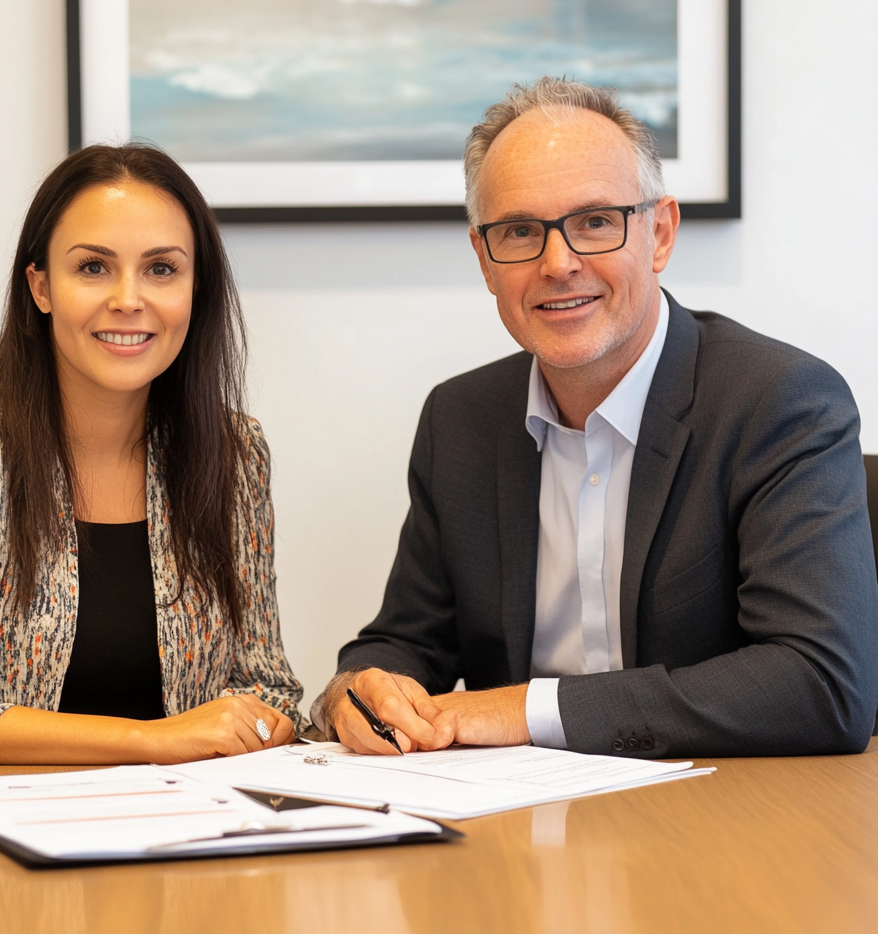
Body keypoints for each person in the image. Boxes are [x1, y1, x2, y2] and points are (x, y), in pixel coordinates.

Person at [313, 77, 878, 758]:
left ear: (659, 234)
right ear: (485, 261)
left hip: (726, 819)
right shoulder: (458, 420)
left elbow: (823, 684)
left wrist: (529, 708)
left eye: (594, 222)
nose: (558, 263)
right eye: (520, 231)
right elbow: (407, 638)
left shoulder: (779, 402)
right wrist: (365, 689)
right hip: (520, 830)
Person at [0, 144, 302, 764]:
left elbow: (268, 686)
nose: (128, 299)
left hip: (191, 832)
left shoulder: (234, 454)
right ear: (41, 287)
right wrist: (148, 740)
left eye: (162, 269)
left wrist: (261, 721)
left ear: (195, 289)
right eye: (93, 267)